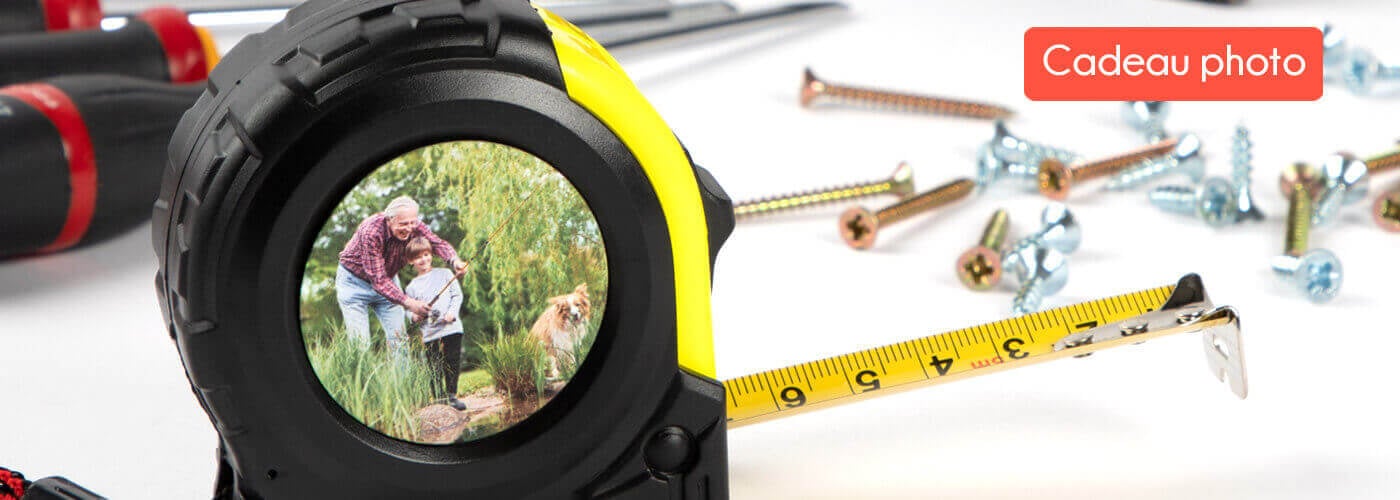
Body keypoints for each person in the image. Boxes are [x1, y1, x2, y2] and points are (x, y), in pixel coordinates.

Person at [336, 196, 466, 353]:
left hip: (388, 281)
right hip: (353, 284)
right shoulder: (371, 232)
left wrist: (454, 261)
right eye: (403, 224)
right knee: (360, 344)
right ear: (389, 219)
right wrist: (410, 303)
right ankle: (359, 377)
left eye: (412, 222)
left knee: (399, 341)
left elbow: (436, 243)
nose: (409, 228)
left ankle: (402, 378)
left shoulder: (414, 226)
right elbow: (378, 280)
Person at [403, 237, 467, 410]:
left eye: (426, 255)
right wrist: (414, 317)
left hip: (451, 328)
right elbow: (408, 310)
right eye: (418, 257)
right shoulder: (411, 287)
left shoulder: (445, 274)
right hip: (429, 332)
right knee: (434, 365)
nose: (423, 260)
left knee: (452, 360)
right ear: (411, 261)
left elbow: (457, 295)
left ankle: (452, 395)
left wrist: (451, 313)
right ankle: (439, 399)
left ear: (431, 254)